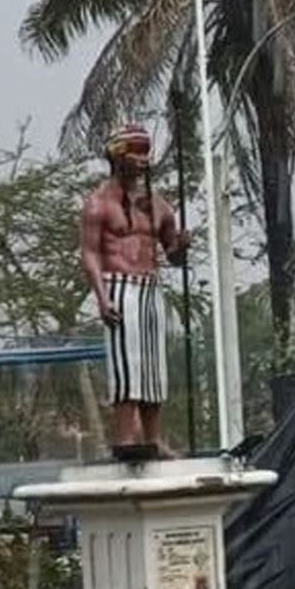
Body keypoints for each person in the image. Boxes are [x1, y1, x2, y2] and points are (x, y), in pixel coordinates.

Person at [80, 123, 187, 457]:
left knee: (153, 365)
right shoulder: (99, 204)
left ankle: (153, 436)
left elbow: (173, 256)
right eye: (135, 153)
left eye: (145, 152)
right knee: (128, 364)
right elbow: (90, 252)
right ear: (118, 157)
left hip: (150, 288)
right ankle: (126, 437)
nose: (143, 160)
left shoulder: (159, 206)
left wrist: (181, 246)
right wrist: (101, 296)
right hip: (119, 287)